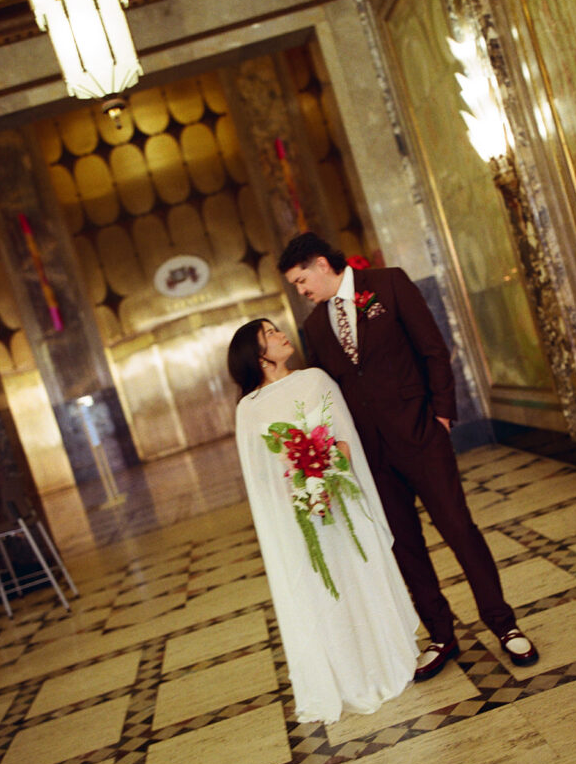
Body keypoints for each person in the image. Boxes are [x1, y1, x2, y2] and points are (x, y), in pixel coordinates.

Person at [277, 232, 539, 680]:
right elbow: (330, 393)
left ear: (322, 264)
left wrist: (441, 416)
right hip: (369, 453)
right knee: (405, 546)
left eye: (302, 280)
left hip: (421, 434)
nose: (301, 291)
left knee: (459, 529)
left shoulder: (389, 284)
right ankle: (441, 634)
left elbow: (434, 349)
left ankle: (504, 624)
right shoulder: (316, 326)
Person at [228, 317, 419, 724]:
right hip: (299, 517)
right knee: (324, 589)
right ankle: (345, 673)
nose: (281, 335)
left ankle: (386, 657)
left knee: (359, 574)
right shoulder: (249, 409)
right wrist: (300, 492)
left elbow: (347, 437)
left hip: (343, 500)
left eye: (277, 328)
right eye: (270, 334)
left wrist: (329, 469)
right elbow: (259, 479)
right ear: (258, 354)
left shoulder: (316, 379)